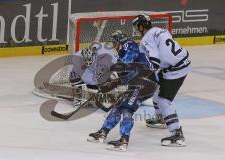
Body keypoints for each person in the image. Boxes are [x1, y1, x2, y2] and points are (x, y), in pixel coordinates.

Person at [87, 30, 157, 151]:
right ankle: (103, 132)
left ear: (119, 41)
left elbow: (126, 62)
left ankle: (124, 141)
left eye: (114, 43)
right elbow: (124, 78)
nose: (113, 46)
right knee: (118, 106)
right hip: (139, 83)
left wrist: (110, 70)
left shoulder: (129, 44)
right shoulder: (123, 55)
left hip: (145, 82)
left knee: (127, 109)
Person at [132, 13, 192, 146]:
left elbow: (155, 61)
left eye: (137, 27)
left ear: (142, 27)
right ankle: (161, 119)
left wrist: (143, 74)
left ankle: (177, 133)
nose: (136, 30)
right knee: (156, 90)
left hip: (176, 69)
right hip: (180, 62)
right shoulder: (160, 30)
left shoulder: (146, 39)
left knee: (163, 101)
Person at [69, 43, 118, 107]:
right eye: (86, 61)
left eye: (90, 60)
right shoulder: (77, 57)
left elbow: (114, 67)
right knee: (74, 76)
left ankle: (111, 98)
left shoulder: (104, 57)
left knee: (111, 77)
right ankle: (79, 99)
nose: (88, 62)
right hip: (89, 76)